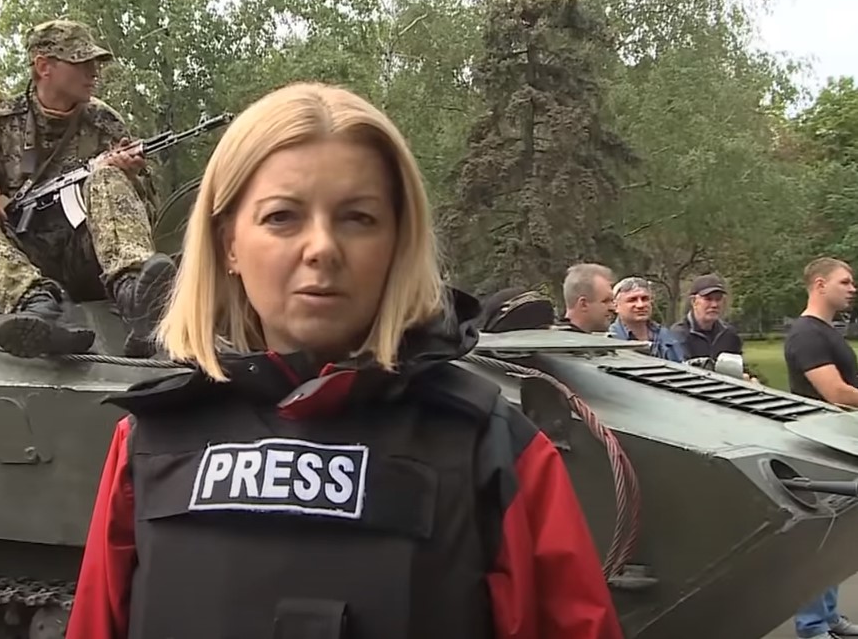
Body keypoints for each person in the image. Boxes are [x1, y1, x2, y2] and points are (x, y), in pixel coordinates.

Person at [66, 82, 623, 639]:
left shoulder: (494, 449)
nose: (322, 249)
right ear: (228, 243)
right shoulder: (147, 444)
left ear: (398, 242)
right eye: (281, 217)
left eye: (358, 218)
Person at [0, 19, 174, 358]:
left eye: (94, 64)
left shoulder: (104, 122)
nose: (93, 73)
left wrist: (130, 176)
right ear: (44, 66)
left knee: (107, 175)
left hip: (90, 258)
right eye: (81, 63)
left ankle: (135, 296)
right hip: (22, 259)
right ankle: (35, 306)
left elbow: (150, 206)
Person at [784, 257, 858, 639]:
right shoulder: (806, 334)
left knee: (836, 533)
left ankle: (827, 617)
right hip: (817, 447)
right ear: (819, 284)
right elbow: (836, 393)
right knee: (819, 538)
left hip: (838, 443)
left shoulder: (826, 331)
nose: (852, 288)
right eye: (845, 281)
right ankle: (812, 626)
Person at [608, 276, 685, 361]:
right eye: (632, 300)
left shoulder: (666, 336)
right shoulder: (609, 340)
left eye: (645, 299)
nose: (640, 305)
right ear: (616, 306)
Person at [670, 273, 744, 362]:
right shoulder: (678, 335)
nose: (714, 305)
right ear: (694, 301)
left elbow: (738, 366)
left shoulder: (729, 335)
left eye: (718, 299)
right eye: (708, 299)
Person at [559, 262, 616, 333]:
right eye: (605, 301)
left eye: (612, 301)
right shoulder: (556, 339)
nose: (613, 308)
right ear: (583, 304)